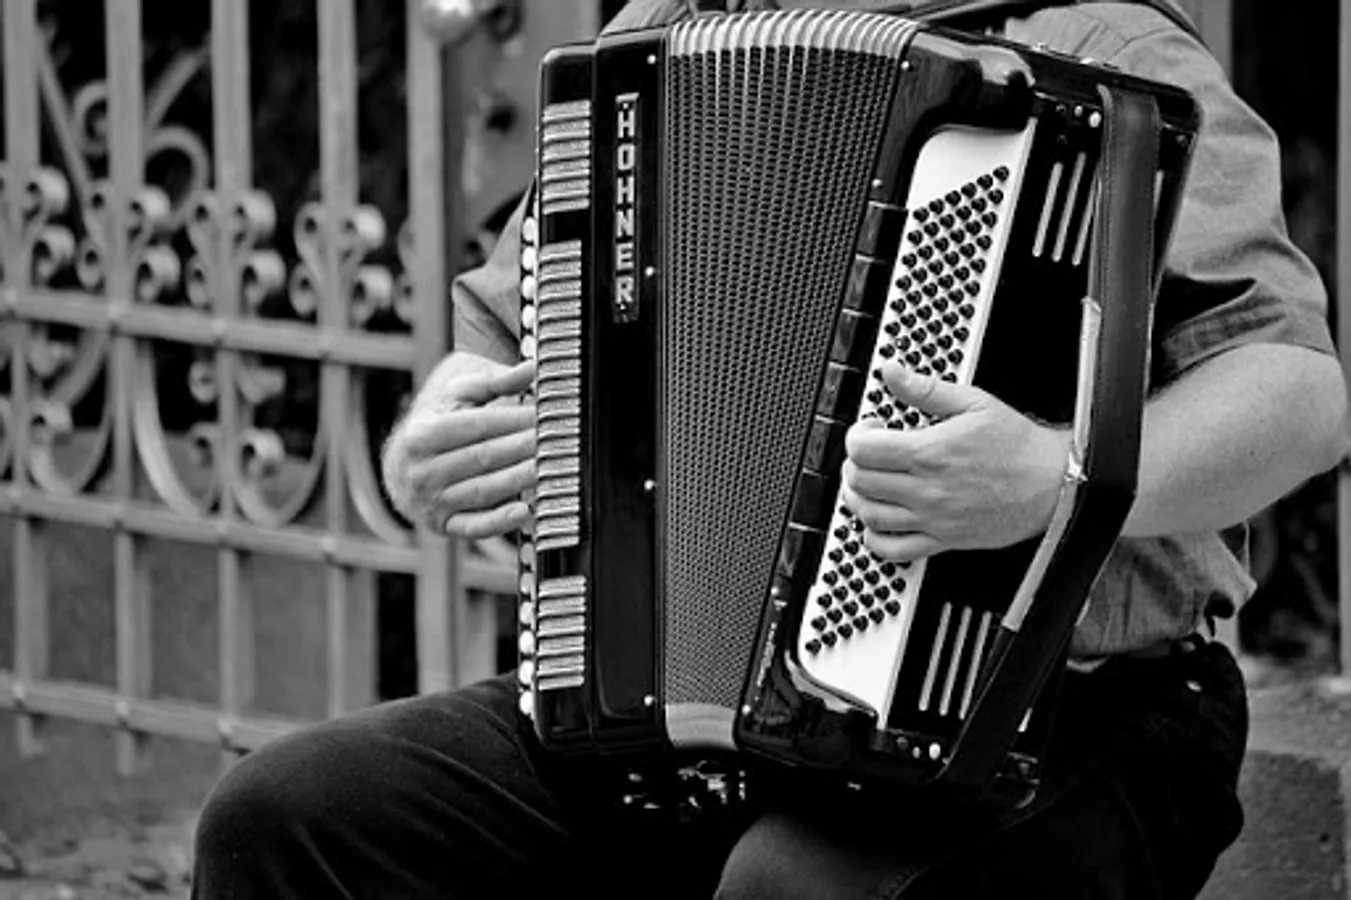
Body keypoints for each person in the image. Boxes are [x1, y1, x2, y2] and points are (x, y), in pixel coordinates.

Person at [189, 0, 1349, 897]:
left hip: (1076, 711)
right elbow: (496, 345)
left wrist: (1052, 479)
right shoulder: (666, 37)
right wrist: (435, 446)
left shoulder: (1108, 50)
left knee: (796, 886)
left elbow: (1298, 394)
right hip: (675, 716)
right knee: (291, 814)